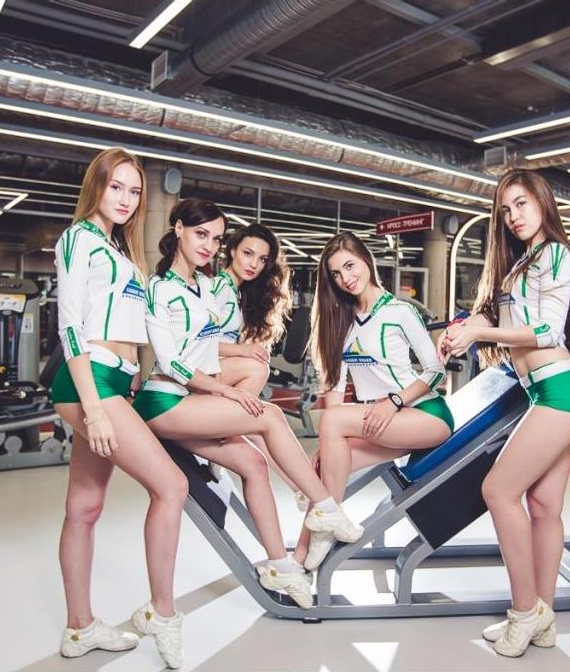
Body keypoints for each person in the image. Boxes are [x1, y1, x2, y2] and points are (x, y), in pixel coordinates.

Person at [133, 199, 365, 609]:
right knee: (270, 415)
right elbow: (170, 361)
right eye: (201, 234)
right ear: (179, 230)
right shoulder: (160, 288)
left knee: (255, 464)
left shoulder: (203, 287)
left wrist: (233, 369)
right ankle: (323, 505)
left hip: (192, 402)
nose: (208, 245)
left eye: (215, 238)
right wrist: (226, 390)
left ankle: (280, 565)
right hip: (163, 401)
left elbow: (206, 345)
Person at [438, 169, 570, 657]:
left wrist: (479, 334)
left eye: (521, 204)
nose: (513, 216)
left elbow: (547, 332)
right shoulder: (522, 261)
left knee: (498, 490)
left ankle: (523, 612)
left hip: (562, 389)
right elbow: (500, 315)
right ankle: (543, 619)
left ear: (543, 202)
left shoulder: (555, 253)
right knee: (543, 507)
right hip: (544, 390)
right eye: (505, 210)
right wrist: (465, 327)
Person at [49, 148, 186, 667]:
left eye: (134, 190)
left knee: (84, 507)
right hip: (91, 381)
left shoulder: (118, 249)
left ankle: (79, 628)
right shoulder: (78, 239)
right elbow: (69, 327)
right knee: (171, 486)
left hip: (116, 381)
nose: (126, 199)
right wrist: (95, 410)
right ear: (97, 187)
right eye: (116, 187)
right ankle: (163, 613)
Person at [292, 232, 453, 571]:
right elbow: (335, 388)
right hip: (384, 425)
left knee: (332, 421)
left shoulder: (399, 311)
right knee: (323, 467)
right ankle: (300, 559)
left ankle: (330, 522)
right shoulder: (341, 321)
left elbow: (436, 371)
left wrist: (393, 401)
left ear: (366, 260)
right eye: (336, 273)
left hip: (424, 415)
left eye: (350, 266)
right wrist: (326, 444)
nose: (346, 278)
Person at [209, 223, 306, 509]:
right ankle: (223, 432)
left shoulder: (235, 291)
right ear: (232, 251)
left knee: (258, 426)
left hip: (219, 373)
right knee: (256, 369)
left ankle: (301, 490)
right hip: (202, 375)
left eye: (262, 259)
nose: (254, 264)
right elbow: (198, 343)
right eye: (247, 253)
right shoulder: (219, 288)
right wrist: (243, 350)